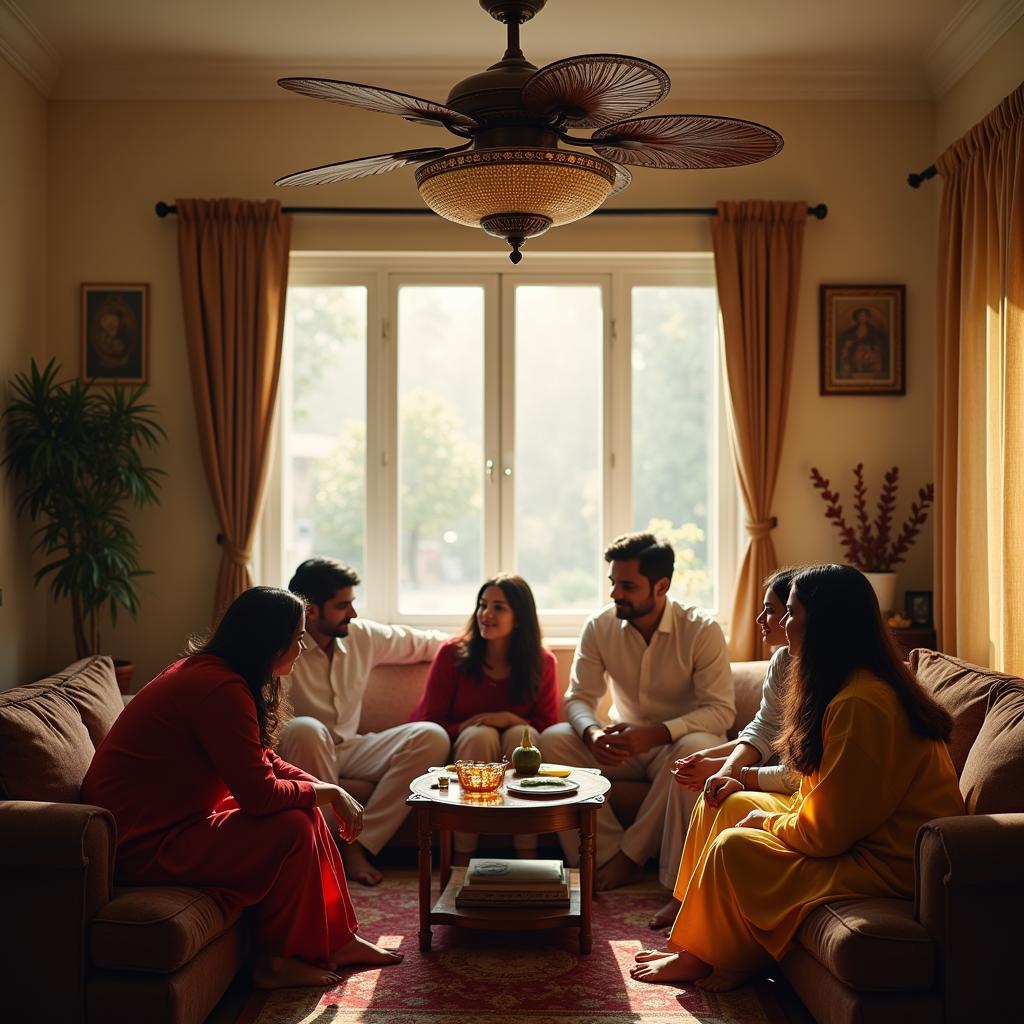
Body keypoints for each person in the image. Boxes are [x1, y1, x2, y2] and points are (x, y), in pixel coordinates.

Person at [631, 564, 964, 992]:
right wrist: (742, 782)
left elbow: (828, 833)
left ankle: (712, 956)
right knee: (729, 804)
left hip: (889, 861)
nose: (783, 625)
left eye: (791, 613)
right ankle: (695, 943)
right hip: (857, 837)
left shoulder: (863, 703)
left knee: (736, 845)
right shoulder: (842, 686)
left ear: (822, 624)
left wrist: (768, 822)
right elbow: (818, 791)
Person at [81, 587, 403, 990]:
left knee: (302, 811)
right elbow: (260, 795)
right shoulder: (219, 689)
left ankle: (336, 940)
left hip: (173, 824)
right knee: (292, 825)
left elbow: (265, 762)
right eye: (298, 637)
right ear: (270, 643)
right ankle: (277, 961)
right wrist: (331, 794)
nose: (302, 647)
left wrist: (325, 789)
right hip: (142, 844)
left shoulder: (221, 675)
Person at [540, 532, 734, 893]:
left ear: (661, 586)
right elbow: (578, 698)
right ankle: (600, 854)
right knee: (553, 740)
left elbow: (720, 712)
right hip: (623, 744)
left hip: (676, 745)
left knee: (695, 747)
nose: (615, 594)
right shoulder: (599, 626)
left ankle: (630, 859)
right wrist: (593, 734)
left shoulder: (701, 629)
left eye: (627, 586)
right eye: (614, 583)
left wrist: (658, 732)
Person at [278, 557, 451, 886]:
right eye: (343, 606)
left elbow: (426, 643)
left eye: (352, 603)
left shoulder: (361, 635)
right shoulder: (283, 645)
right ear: (310, 610)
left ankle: (360, 843)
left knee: (432, 736)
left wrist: (483, 644)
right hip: (303, 750)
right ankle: (332, 850)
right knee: (307, 729)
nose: (353, 614)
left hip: (352, 747)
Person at [647, 567, 801, 929]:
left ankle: (705, 919)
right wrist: (722, 766)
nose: (761, 619)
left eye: (775, 611)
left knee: (723, 797)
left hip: (798, 787)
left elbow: (801, 772)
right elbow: (764, 727)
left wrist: (737, 775)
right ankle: (683, 898)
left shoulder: (841, 686)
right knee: (712, 789)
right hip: (782, 774)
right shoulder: (783, 661)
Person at [410, 573, 560, 862]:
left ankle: (526, 852)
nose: (486, 614)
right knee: (480, 734)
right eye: (482, 605)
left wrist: (509, 718)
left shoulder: (542, 661)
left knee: (521, 737)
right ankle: (463, 856)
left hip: (515, 741)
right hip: (462, 746)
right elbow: (431, 720)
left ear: (519, 618)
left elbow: (546, 724)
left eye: (499, 607)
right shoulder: (452, 653)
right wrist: (467, 725)